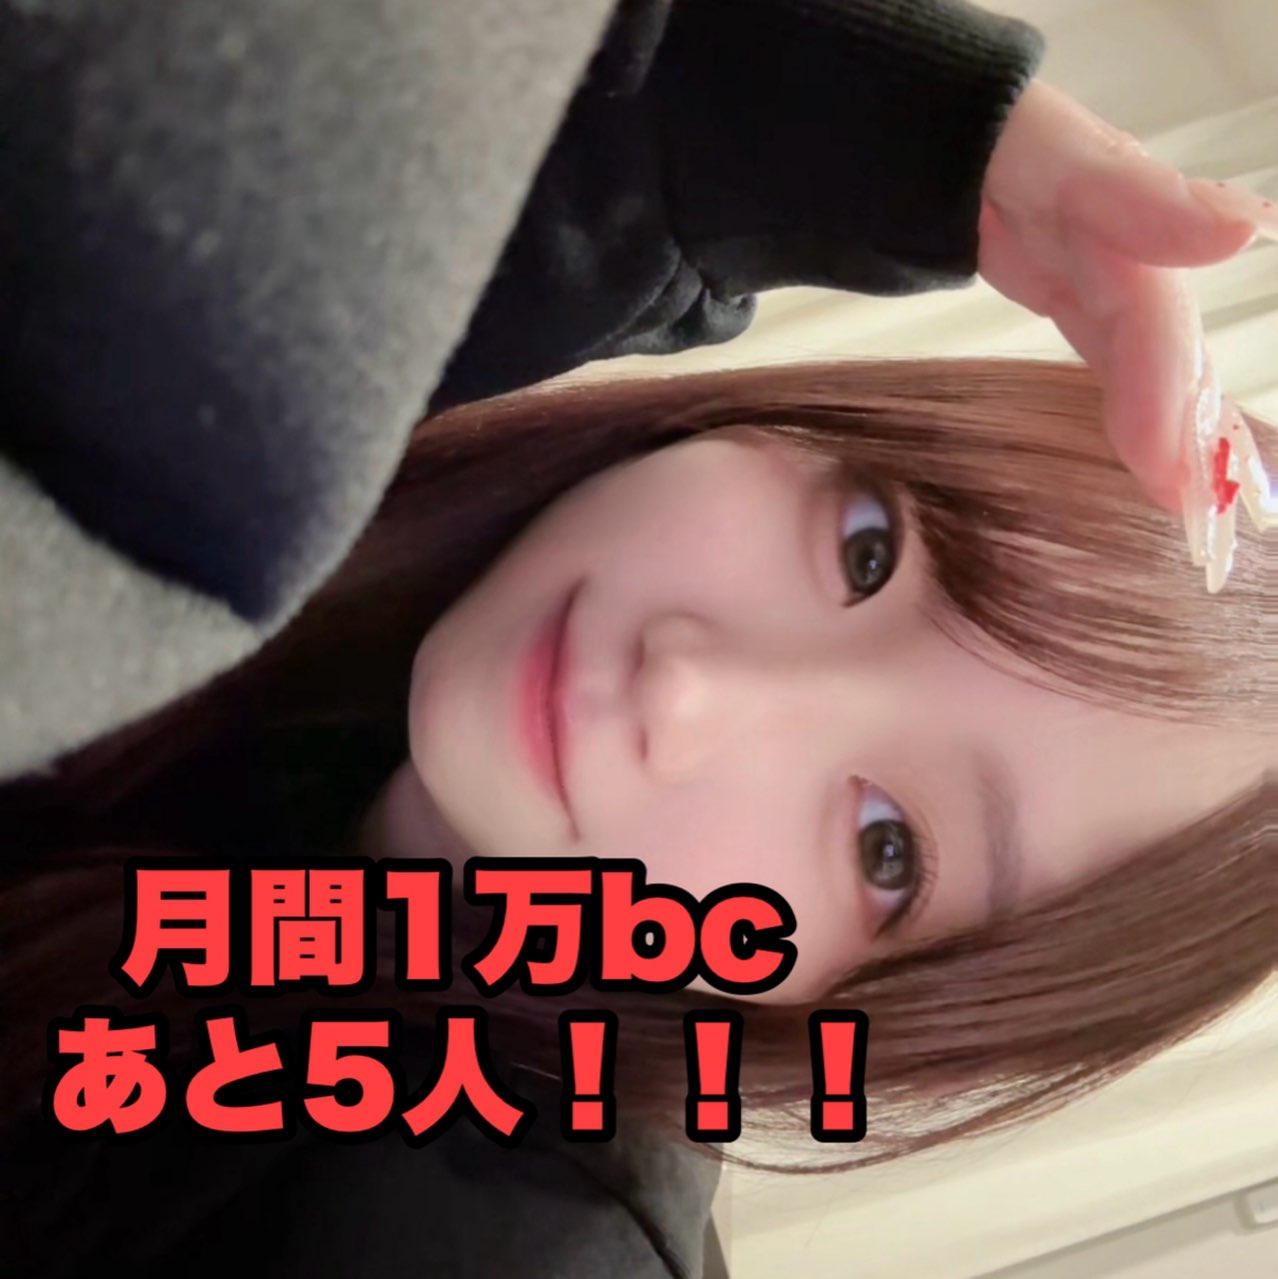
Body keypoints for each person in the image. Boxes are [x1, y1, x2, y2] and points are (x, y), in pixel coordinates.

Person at [1, 1, 1274, 1277]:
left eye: (886, 846)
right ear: (825, 434)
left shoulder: (500, 1233)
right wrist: (806, 121)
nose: (689, 688)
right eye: (867, 551)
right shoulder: (330, 534)